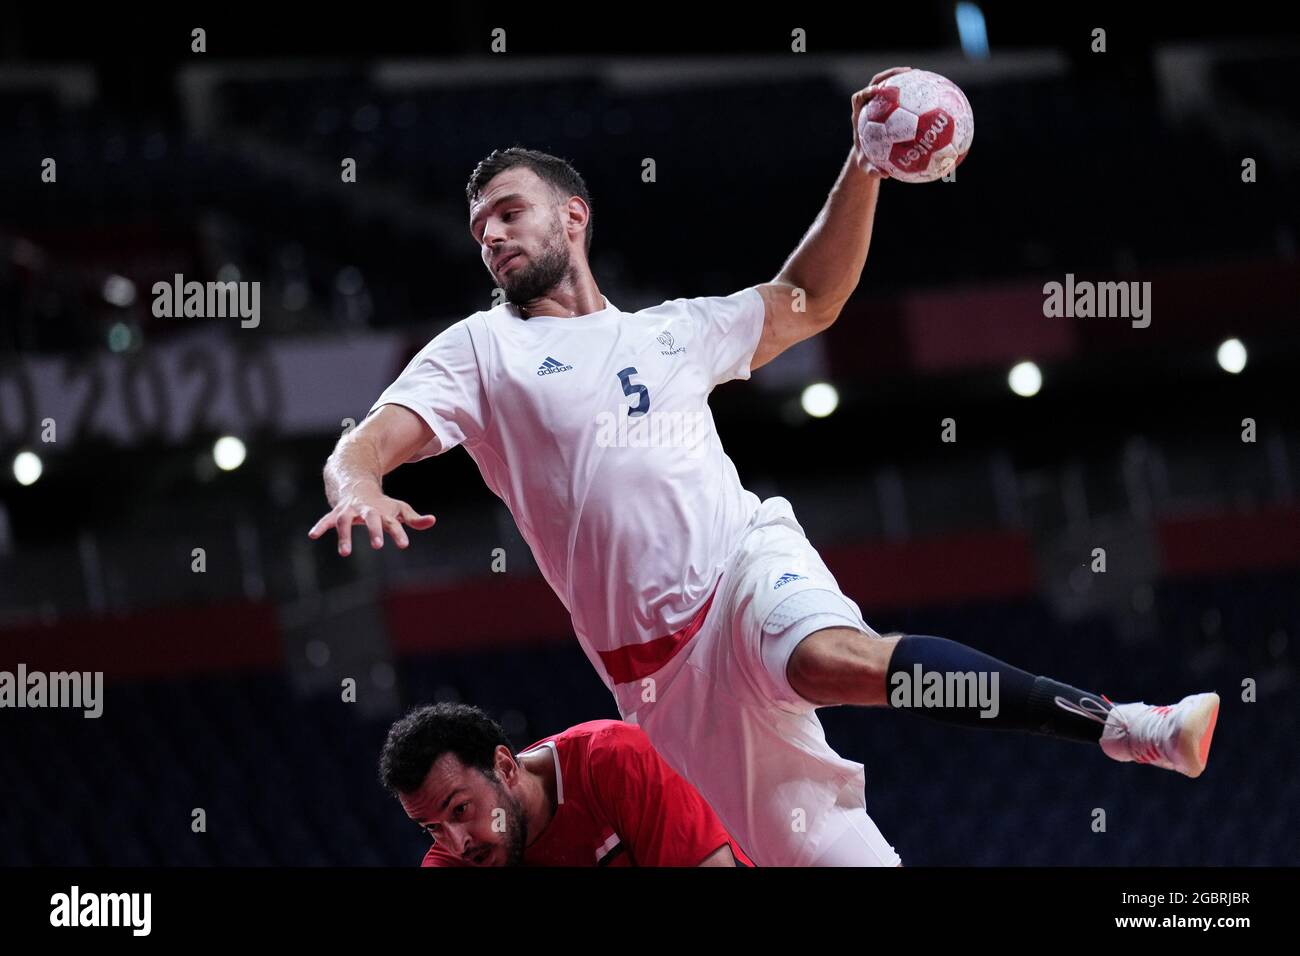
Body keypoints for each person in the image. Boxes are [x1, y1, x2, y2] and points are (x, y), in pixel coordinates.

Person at [313, 67, 1219, 866]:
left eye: (509, 213)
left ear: (572, 215)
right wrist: (358, 483)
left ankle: (1126, 727)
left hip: (742, 565)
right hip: (664, 685)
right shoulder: (480, 350)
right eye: (480, 230)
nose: (493, 237)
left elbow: (809, 298)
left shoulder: (670, 331)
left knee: (834, 659)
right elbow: (369, 439)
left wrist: (864, 163)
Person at [379, 703, 753, 866]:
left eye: (460, 810)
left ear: (505, 767)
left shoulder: (618, 759)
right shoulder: (452, 862)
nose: (458, 843)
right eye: (432, 828)